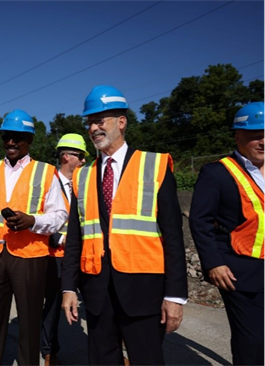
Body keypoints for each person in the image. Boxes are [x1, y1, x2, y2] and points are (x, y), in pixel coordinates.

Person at [62, 85, 187, 366]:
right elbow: (74, 238)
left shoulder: (154, 166)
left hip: (144, 291)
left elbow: (174, 237)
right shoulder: (82, 176)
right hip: (96, 292)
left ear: (121, 122)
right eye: (90, 122)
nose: (94, 128)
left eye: (100, 120)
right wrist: (68, 287)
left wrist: (175, 296)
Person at [0, 109, 68, 366]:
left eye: (17, 137)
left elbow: (60, 215)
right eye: (6, 137)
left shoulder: (47, 172)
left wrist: (33, 221)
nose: (11, 142)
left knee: (28, 322)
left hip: (30, 257)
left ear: (30, 140)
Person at [189, 101, 265, 366]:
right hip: (239, 271)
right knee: (252, 341)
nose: (263, 141)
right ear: (238, 136)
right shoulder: (217, 172)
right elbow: (200, 221)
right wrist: (214, 262)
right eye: (256, 135)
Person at [40, 134, 88, 366]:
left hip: (83, 255)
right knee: (52, 306)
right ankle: (50, 352)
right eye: (80, 156)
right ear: (66, 156)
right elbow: (39, 217)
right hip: (55, 256)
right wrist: (60, 238)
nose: (83, 162)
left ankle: (110, 351)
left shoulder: (84, 184)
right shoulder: (47, 182)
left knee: (98, 301)